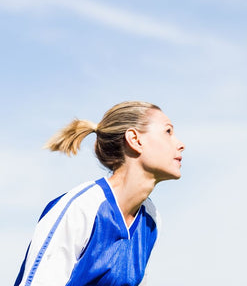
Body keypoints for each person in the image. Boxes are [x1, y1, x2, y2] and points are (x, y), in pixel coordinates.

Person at [15, 101, 185, 286]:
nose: (180, 144)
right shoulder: (81, 208)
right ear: (135, 140)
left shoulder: (151, 218)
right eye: (168, 132)